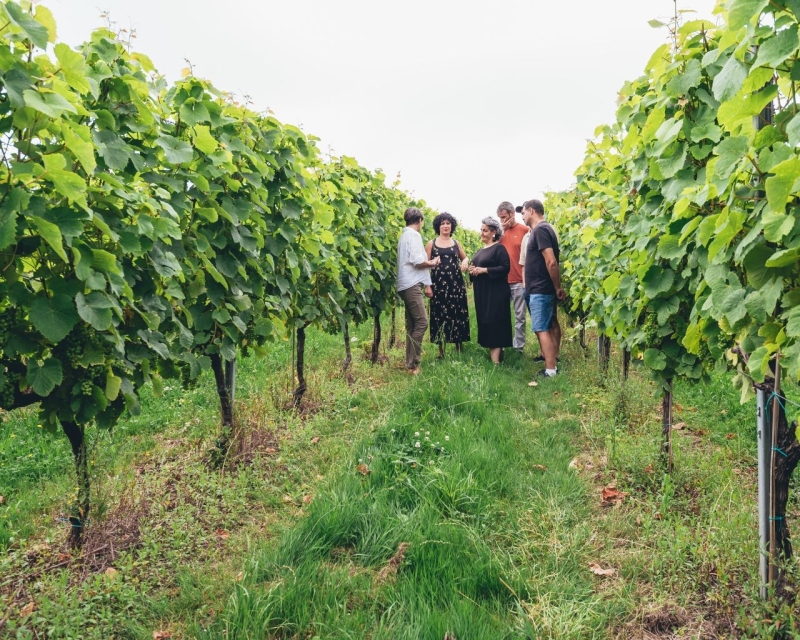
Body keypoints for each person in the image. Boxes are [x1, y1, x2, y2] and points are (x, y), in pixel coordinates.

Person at [520, 199, 564, 380]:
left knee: (541, 327)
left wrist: (557, 287)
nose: (522, 216)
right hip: (539, 288)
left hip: (541, 289)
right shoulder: (540, 230)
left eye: (523, 212)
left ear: (531, 210)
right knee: (549, 323)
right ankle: (552, 362)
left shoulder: (541, 230)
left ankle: (550, 370)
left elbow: (551, 261)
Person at [396, 207, 440, 374]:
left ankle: (409, 363)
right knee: (422, 322)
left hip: (405, 284)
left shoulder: (404, 235)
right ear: (420, 220)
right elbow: (417, 261)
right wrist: (432, 262)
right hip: (411, 284)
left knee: (412, 325)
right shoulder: (413, 235)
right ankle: (414, 364)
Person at [425, 212, 470, 358]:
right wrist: (427, 286)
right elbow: (426, 266)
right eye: (442, 223)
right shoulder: (431, 243)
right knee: (439, 314)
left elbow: (465, 257)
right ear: (438, 226)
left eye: (448, 223)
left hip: (455, 284)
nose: (445, 226)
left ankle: (459, 345)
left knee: (457, 312)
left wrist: (465, 261)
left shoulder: (456, 243)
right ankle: (440, 351)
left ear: (452, 226)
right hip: (438, 284)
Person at [468, 217, 512, 364]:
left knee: (494, 322)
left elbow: (505, 268)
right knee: (486, 321)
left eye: (485, 230)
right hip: (482, 293)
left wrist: (484, 270)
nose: (482, 233)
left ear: (494, 232)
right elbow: (476, 269)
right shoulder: (481, 250)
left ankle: (496, 363)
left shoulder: (499, 248)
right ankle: (497, 356)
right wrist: (473, 270)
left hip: (496, 293)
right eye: (481, 230)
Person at [496, 202, 530, 353]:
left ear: (511, 214)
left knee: (520, 316)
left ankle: (519, 347)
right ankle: (501, 343)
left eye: (504, 217)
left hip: (518, 280)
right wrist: (501, 232)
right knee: (501, 315)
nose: (502, 220)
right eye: (500, 218)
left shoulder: (524, 230)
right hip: (502, 281)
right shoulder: (499, 233)